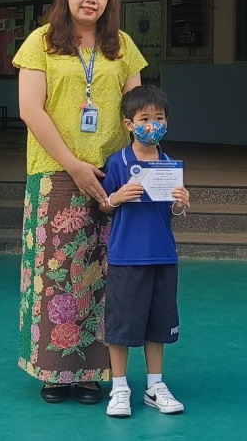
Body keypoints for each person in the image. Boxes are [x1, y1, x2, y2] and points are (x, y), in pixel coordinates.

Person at [14, 0, 147, 405]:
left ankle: (94, 372)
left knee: (104, 274)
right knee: (56, 274)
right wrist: (73, 165)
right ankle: (54, 372)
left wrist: (145, 167)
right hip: (56, 174)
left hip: (113, 174)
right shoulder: (41, 42)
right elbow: (31, 110)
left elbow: (137, 112)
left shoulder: (122, 46)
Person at [99, 84, 190, 418]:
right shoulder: (118, 162)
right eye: (145, 119)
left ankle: (155, 386)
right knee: (121, 326)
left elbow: (173, 211)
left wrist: (181, 203)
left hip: (163, 255)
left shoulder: (169, 165)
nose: (153, 125)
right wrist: (116, 197)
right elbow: (104, 205)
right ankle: (119, 387)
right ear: (129, 124)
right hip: (126, 257)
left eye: (159, 118)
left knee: (158, 325)